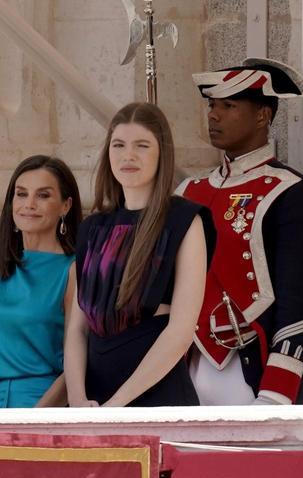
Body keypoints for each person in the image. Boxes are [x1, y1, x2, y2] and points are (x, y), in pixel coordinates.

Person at [181, 58, 303, 404]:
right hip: (184, 369)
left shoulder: (292, 192)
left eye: (228, 105)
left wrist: (276, 392)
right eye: (211, 105)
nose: (213, 115)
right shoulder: (188, 192)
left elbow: (300, 303)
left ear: (263, 116)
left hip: (251, 373)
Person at [64, 102, 214, 407]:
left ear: (162, 153)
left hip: (156, 397)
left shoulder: (184, 220)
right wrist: (78, 399)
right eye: (118, 145)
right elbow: (78, 329)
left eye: (142, 145)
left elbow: (181, 331)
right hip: (92, 401)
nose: (128, 155)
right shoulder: (92, 228)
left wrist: (117, 406)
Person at [0, 155, 82, 408]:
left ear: (65, 206)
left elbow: (77, 366)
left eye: (43, 195)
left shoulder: (73, 271)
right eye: (21, 194)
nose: (29, 204)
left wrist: (34, 423)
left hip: (47, 413)